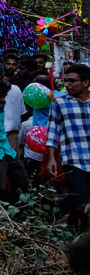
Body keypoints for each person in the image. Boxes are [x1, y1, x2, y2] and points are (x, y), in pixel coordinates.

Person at [46, 63, 90, 230]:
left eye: (72, 81)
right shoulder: (59, 103)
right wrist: (51, 158)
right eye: (66, 81)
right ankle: (49, 217)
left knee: (85, 198)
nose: (67, 85)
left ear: (85, 83)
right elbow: (52, 132)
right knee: (78, 195)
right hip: (72, 157)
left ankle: (78, 229)